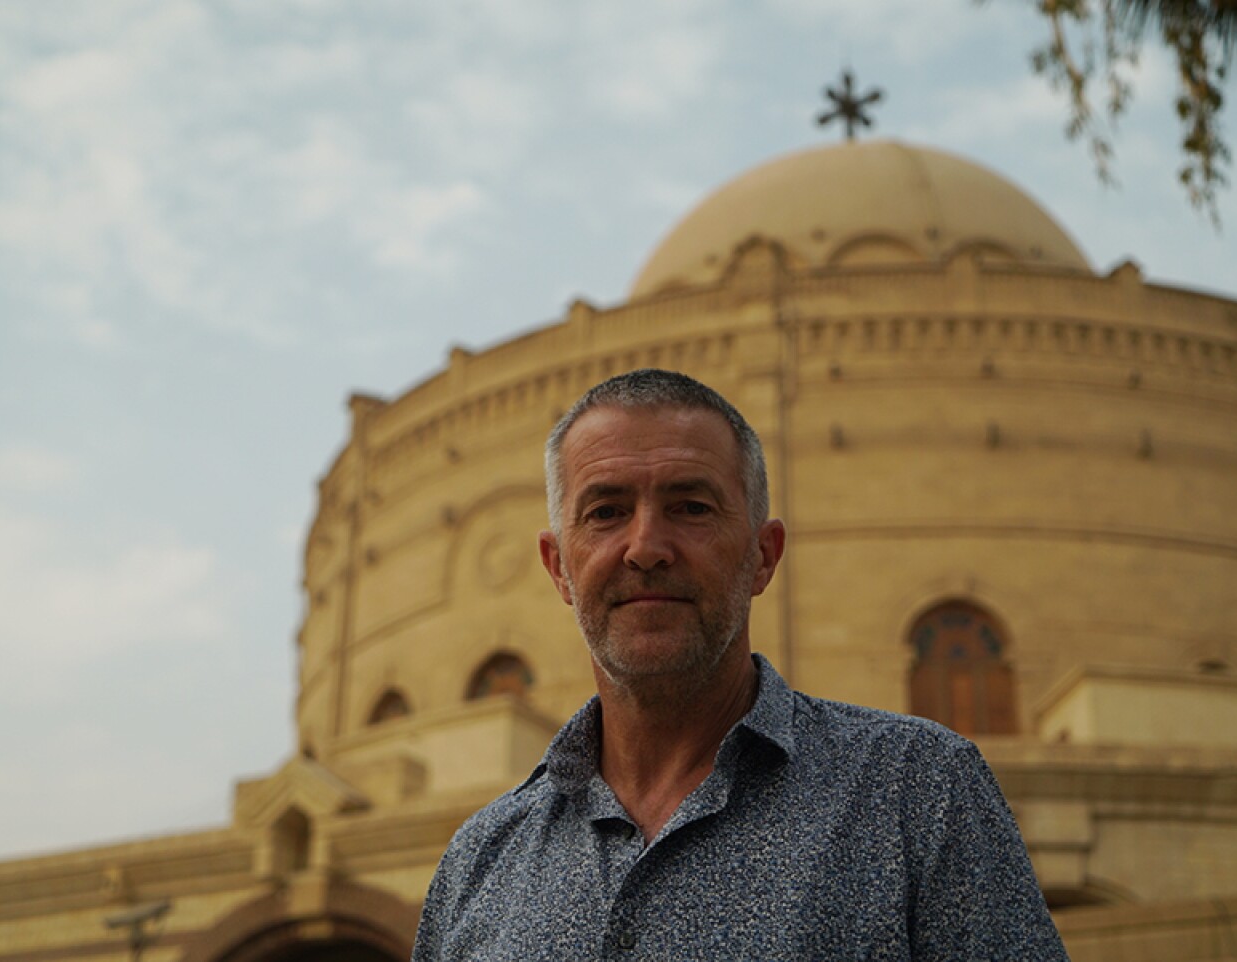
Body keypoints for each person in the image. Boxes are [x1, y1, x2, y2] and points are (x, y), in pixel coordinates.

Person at [412, 368, 1068, 960]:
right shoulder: (480, 861)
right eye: (607, 512)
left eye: (690, 508)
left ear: (763, 554)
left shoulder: (918, 793)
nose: (645, 547)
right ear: (559, 567)